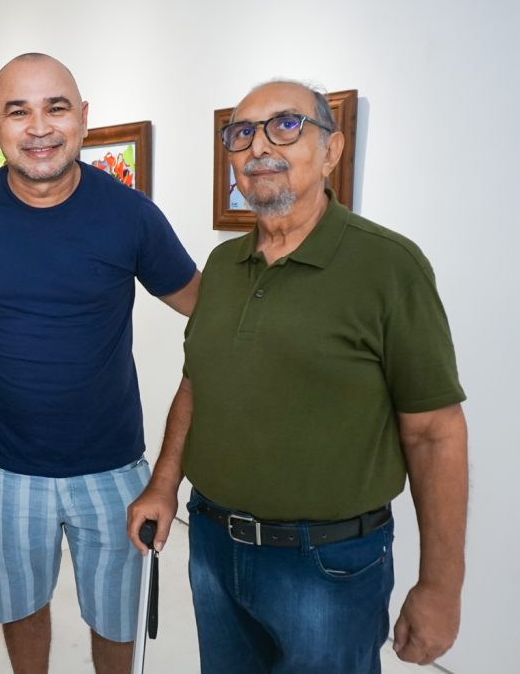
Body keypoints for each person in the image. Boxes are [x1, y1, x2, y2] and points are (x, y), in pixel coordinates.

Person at [127, 80, 468, 673]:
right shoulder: (224, 265)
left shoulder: (389, 266)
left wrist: (441, 586)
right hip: (211, 546)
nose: (259, 146)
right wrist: (164, 485)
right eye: (241, 133)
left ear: (331, 151)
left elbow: (435, 432)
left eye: (285, 126)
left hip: (329, 568)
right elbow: (196, 384)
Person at [0, 53, 199, 674]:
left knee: (113, 619)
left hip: (116, 471)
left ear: (83, 118)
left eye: (56, 107)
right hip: (6, 469)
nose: (39, 126)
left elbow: (209, 317)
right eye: (19, 111)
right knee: (21, 612)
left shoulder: (129, 214)